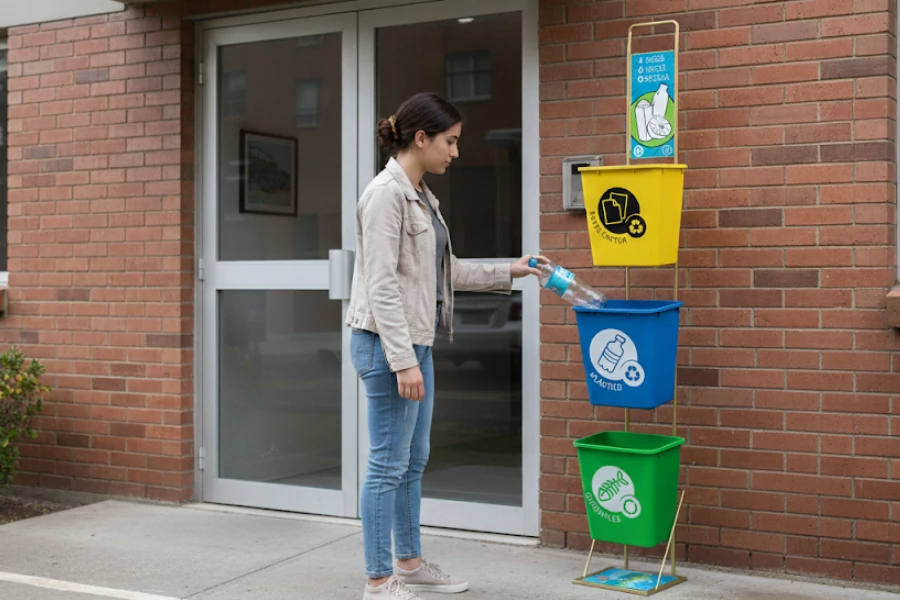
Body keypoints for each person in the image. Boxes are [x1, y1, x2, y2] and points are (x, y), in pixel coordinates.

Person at [345, 92, 546, 600]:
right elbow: (381, 285)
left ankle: (409, 563)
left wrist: (511, 270)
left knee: (413, 461)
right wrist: (403, 362)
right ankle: (378, 581)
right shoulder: (386, 195)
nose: (455, 152)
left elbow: (442, 272)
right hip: (386, 347)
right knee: (387, 465)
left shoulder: (421, 195)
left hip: (415, 344)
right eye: (450, 142)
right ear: (421, 138)